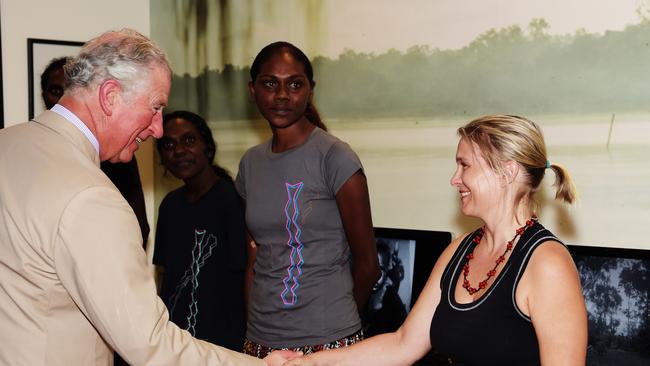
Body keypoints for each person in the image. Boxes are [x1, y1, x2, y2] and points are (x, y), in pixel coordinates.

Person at [0, 28, 296, 366]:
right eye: (155, 108)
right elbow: (151, 346)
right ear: (110, 96)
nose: (157, 129)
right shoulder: (92, 198)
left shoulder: (6, 145)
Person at [284, 114, 588, 366]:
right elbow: (402, 344)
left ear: (506, 172)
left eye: (465, 165)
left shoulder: (547, 264)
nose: (454, 179)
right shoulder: (459, 250)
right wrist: (310, 362)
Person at [235, 41, 380, 358]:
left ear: (310, 90)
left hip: (328, 339)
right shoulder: (250, 164)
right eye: (271, 83)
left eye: (295, 84)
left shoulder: (335, 157)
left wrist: (332, 333)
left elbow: (368, 265)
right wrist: (253, 328)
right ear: (253, 90)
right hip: (259, 340)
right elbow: (254, 258)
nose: (282, 95)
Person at [154, 110, 246, 351]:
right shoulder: (170, 206)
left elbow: (244, 275)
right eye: (169, 144)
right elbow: (165, 276)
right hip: (176, 340)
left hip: (224, 341)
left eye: (189, 140)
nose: (179, 150)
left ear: (207, 147)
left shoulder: (231, 200)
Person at [40, 56, 150, 249]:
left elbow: (139, 225)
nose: (62, 100)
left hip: (104, 257)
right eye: (55, 91)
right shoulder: (35, 148)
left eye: (69, 91)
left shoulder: (112, 149)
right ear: (43, 95)